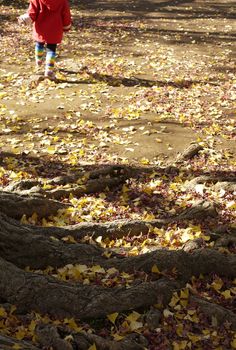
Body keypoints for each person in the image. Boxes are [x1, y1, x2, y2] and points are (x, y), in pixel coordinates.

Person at [18, 0, 71, 80]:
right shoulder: (63, 1)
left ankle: (39, 61)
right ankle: (49, 70)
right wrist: (66, 26)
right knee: (51, 49)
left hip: (41, 27)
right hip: (55, 28)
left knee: (39, 44)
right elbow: (66, 14)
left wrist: (26, 19)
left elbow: (32, 12)